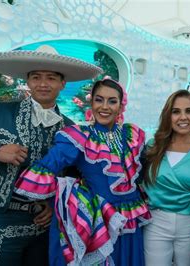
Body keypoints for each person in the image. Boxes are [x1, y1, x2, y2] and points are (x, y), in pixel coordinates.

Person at [0, 45, 102, 265]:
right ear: (28, 81)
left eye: (50, 78)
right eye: (36, 77)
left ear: (62, 83)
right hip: (1, 219)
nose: (42, 83)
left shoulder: (70, 128)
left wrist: (53, 203)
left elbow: (73, 177)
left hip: (45, 223)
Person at [14, 77, 151, 265]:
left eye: (112, 101)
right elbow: (49, 165)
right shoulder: (81, 136)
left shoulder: (133, 135)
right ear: (91, 102)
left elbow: (145, 170)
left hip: (130, 219)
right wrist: (63, 197)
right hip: (99, 220)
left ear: (120, 106)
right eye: (99, 99)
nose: (105, 106)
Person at [143, 89, 190, 266]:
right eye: (176, 111)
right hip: (156, 223)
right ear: (168, 116)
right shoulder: (152, 146)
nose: (183, 117)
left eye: (189, 111)